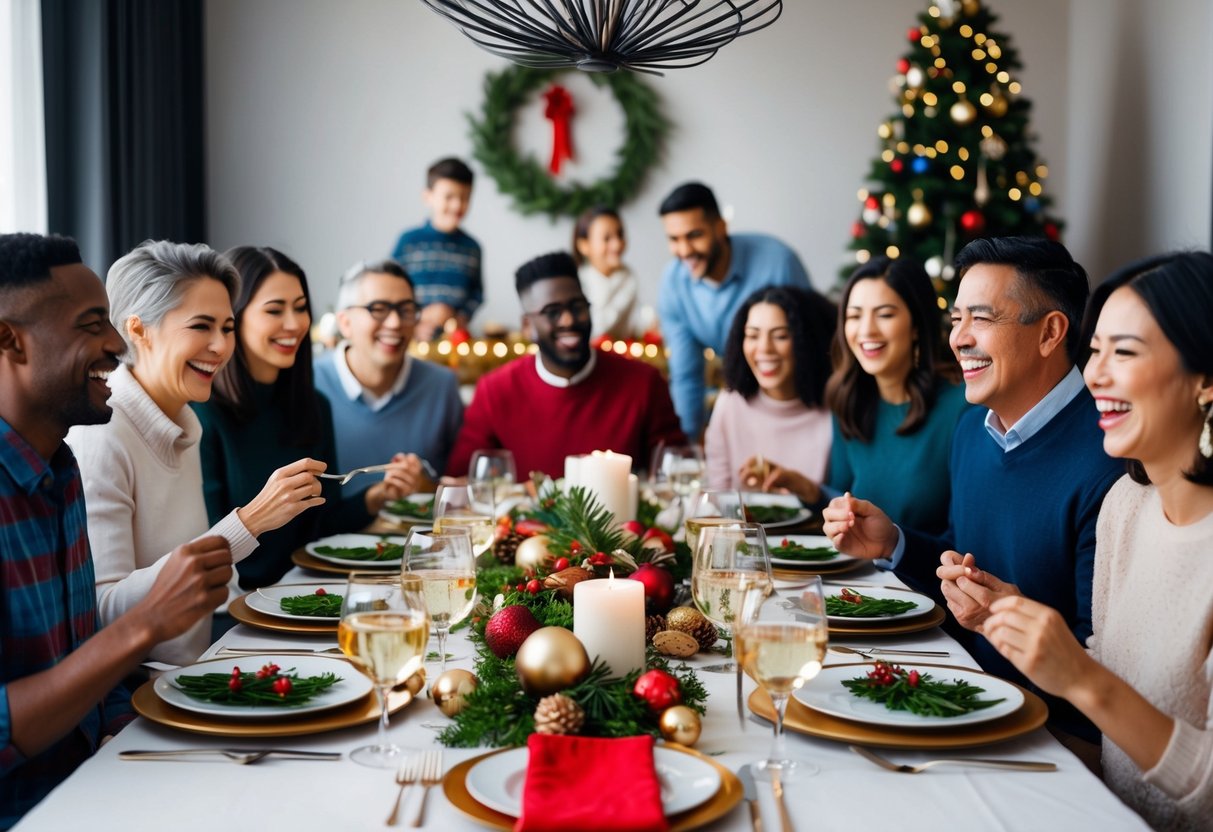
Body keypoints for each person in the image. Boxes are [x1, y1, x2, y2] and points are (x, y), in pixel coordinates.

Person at [823, 236, 1123, 743]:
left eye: (980, 319)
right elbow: (960, 557)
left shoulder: (1112, 457)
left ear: (1050, 332)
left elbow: (1107, 663)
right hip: (964, 691)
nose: (959, 338)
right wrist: (893, 542)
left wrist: (1009, 618)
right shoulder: (972, 431)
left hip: (1056, 740)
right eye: (956, 318)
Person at [0, 233, 232, 827]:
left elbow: (88, 675)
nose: (114, 343)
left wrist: (137, 744)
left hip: (97, 774)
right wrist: (147, 622)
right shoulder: (90, 448)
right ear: (10, 342)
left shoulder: (60, 470)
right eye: (89, 325)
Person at [984, 251, 1213, 829]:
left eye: (1125, 352)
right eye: (1095, 351)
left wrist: (1082, 679)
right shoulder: (1125, 507)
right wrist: (1013, 618)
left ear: (1206, 380)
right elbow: (1112, 692)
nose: (1093, 374)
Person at [65, 241, 325, 664]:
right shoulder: (103, 437)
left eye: (226, 327)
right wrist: (248, 523)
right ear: (138, 330)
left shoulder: (187, 422)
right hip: (136, 698)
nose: (221, 347)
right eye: (201, 326)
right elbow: (101, 612)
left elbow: (210, 591)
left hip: (200, 667)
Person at [193, 246, 416, 589]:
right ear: (233, 317)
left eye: (300, 308)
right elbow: (206, 546)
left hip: (307, 592)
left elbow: (321, 525)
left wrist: (376, 496)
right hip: (233, 605)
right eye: (274, 310)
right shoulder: (204, 413)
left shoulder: (313, 405)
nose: (294, 324)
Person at [446, 252, 685, 479]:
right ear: (527, 326)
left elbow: (676, 474)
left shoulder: (644, 383)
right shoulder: (495, 391)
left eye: (577, 307)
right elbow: (462, 481)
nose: (569, 320)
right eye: (552, 312)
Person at [819, 256, 970, 533]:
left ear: (915, 326)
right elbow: (837, 501)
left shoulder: (963, 408)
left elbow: (965, 535)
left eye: (885, 314)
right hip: (854, 573)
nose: (866, 330)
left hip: (929, 574)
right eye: (854, 316)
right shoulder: (847, 400)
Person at [656, 182, 811, 438]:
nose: (684, 251)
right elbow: (686, 376)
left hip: (794, 405)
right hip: (736, 405)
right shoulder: (672, 284)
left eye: (694, 235)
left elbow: (810, 349)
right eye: (674, 239)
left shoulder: (778, 262)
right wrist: (688, 446)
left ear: (721, 227)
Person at [314, 259, 462, 492]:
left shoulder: (441, 385)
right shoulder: (309, 382)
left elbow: (464, 484)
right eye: (378, 309)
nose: (394, 323)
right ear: (345, 322)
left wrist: (427, 487)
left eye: (406, 310)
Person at [704, 285, 835, 502]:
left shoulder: (833, 409)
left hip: (817, 534)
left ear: (806, 341)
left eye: (781, 336)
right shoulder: (730, 403)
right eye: (753, 335)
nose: (764, 348)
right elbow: (717, 497)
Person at [390, 157, 482, 341]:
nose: (457, 205)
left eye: (464, 197)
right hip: (412, 339)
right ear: (428, 197)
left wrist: (458, 318)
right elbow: (391, 290)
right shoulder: (408, 242)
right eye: (449, 197)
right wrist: (415, 322)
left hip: (455, 340)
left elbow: (477, 294)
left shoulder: (473, 247)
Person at [571, 206, 647, 339]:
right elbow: (594, 330)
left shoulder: (627, 277)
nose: (617, 244)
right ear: (584, 245)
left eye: (620, 235)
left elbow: (632, 323)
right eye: (607, 238)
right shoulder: (576, 281)